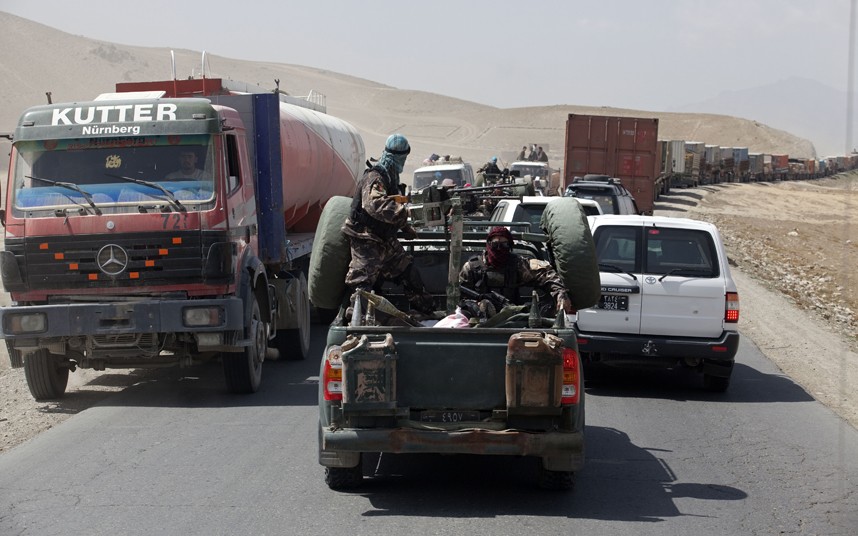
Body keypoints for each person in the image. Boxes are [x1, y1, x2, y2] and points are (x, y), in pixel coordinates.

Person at [342, 133, 435, 315]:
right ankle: (358, 322)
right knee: (362, 288)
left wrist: (405, 227)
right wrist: (406, 213)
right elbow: (374, 205)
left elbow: (391, 206)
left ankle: (428, 314)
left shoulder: (391, 179)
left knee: (410, 275)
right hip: (366, 239)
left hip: (385, 239)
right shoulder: (375, 177)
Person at [459, 226, 573, 318]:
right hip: (478, 320)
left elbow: (546, 275)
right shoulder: (472, 267)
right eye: (495, 244)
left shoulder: (518, 265)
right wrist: (475, 306)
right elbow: (460, 297)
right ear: (489, 244)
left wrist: (560, 293)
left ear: (509, 246)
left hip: (512, 318)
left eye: (504, 244)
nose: (499, 249)